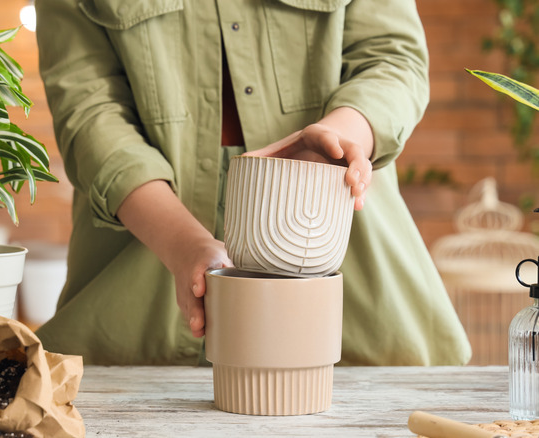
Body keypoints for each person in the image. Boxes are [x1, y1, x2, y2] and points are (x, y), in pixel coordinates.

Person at [33, 0, 472, 366]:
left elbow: (393, 58)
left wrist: (338, 141)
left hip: (350, 260)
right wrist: (182, 245)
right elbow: (88, 111)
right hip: (138, 272)